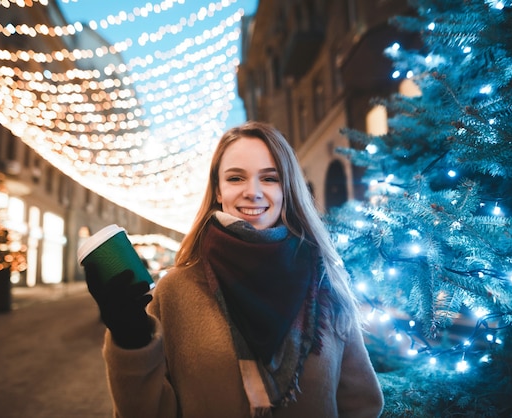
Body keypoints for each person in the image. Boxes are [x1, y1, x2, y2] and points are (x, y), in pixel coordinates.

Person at [84, 121, 384, 418]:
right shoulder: (175, 291)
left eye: (269, 178)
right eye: (236, 178)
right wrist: (131, 340)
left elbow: (362, 404)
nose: (252, 192)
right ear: (218, 190)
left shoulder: (323, 282)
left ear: (287, 188)